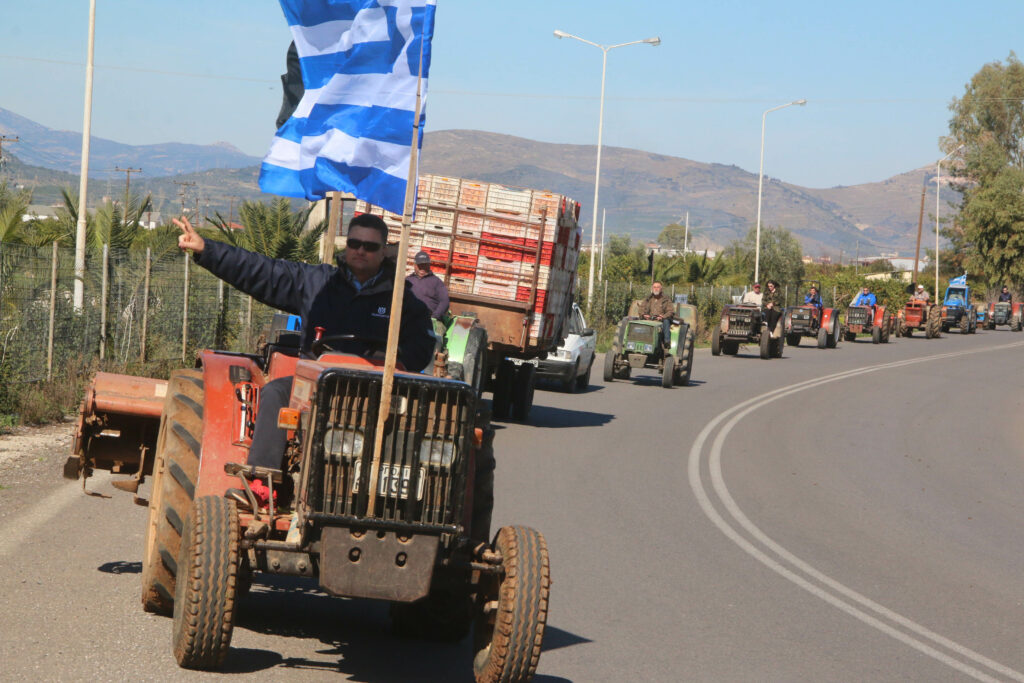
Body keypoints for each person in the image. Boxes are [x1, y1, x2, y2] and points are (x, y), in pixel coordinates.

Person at [175, 212, 435, 507]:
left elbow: (423, 344)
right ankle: (263, 485)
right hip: (314, 386)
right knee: (275, 392)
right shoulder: (316, 283)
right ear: (346, 245)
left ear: (384, 251)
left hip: (377, 388)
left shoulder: (403, 301)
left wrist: (397, 361)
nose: (361, 250)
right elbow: (263, 271)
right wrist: (207, 250)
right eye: (354, 243)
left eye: (370, 246)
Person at [407, 250, 450, 319]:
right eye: (420, 265)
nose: (422, 268)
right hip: (409, 318)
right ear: (414, 265)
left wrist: (434, 317)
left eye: (425, 265)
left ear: (429, 265)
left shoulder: (437, 282)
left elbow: (444, 301)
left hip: (429, 318)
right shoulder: (408, 280)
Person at [638, 281, 675, 346]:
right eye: (654, 287)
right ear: (652, 289)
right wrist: (644, 315)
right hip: (649, 319)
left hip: (661, 320)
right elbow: (641, 309)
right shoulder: (648, 299)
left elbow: (670, 311)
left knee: (666, 321)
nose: (656, 289)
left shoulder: (666, 299)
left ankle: (667, 342)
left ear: (661, 289)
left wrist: (663, 317)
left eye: (658, 287)